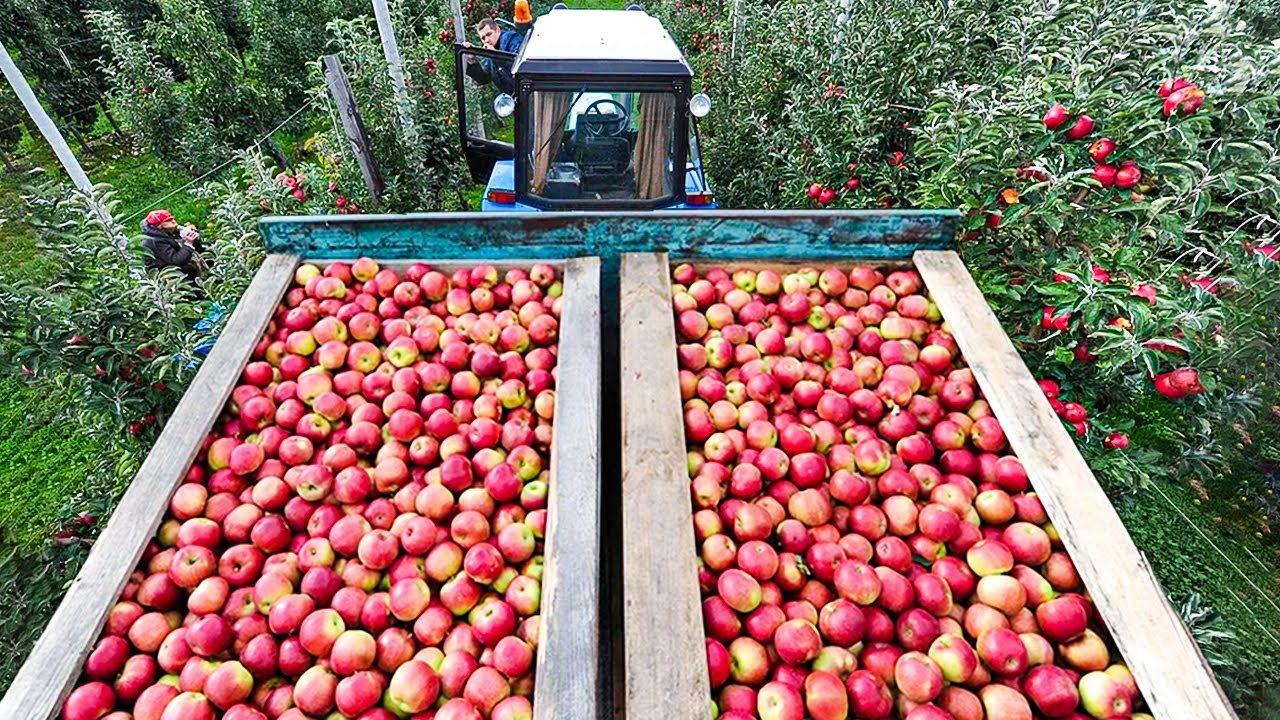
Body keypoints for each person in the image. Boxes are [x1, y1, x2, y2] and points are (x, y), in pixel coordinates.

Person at [140, 209, 206, 282]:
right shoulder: (154, 241)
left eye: (172, 218)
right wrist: (188, 244)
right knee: (190, 269)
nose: (173, 221)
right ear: (159, 225)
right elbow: (176, 260)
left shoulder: (169, 231)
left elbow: (198, 249)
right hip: (167, 277)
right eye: (168, 220)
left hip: (176, 267)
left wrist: (193, 235)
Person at [463, 18, 523, 95]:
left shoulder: (512, 40)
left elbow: (518, 66)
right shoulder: (491, 53)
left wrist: (495, 55)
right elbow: (484, 79)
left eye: (489, 34)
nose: (487, 40)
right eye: (483, 38)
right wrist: (472, 61)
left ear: (497, 30)